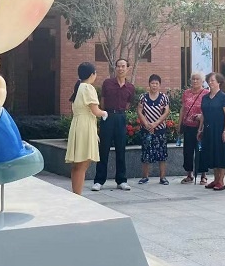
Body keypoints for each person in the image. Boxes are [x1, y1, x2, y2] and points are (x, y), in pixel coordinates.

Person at [92, 58, 135, 192]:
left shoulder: (130, 87)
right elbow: (102, 101)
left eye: (123, 66)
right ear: (115, 68)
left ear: (128, 68)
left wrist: (120, 113)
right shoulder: (107, 83)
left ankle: (121, 180)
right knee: (103, 149)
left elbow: (128, 104)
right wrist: (106, 114)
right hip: (107, 116)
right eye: (118, 66)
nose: (120, 69)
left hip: (121, 117)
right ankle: (99, 181)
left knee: (121, 149)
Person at [65, 62, 108, 195]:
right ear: (92, 74)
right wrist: (104, 113)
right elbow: (95, 110)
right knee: (82, 164)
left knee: (77, 164)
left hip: (78, 124)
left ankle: (75, 193)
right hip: (85, 126)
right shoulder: (88, 88)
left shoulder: (78, 87)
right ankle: (78, 195)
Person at [197, 72, 225, 191]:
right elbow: (203, 115)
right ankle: (216, 179)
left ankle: (221, 181)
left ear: (219, 82)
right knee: (212, 155)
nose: (210, 82)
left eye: (213, 80)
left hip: (220, 129)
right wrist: (200, 129)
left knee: (221, 155)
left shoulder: (223, 97)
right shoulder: (205, 97)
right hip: (208, 130)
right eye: (209, 80)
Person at [137, 74, 171, 185]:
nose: (154, 85)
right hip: (146, 130)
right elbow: (139, 111)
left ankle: (163, 177)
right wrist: (146, 124)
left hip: (160, 130)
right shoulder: (143, 97)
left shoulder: (164, 97)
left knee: (162, 154)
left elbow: (166, 112)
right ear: (149, 84)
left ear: (160, 85)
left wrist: (156, 123)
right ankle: (144, 177)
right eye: (152, 83)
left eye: (156, 83)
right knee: (146, 153)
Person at [179, 72, 209, 185]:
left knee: (201, 150)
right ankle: (189, 174)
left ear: (202, 81)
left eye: (197, 79)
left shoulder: (206, 93)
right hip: (188, 126)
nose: (195, 81)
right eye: (193, 79)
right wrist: (179, 124)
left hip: (201, 127)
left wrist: (201, 117)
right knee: (188, 151)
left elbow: (208, 110)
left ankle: (203, 175)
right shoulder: (186, 93)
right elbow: (183, 108)